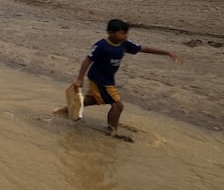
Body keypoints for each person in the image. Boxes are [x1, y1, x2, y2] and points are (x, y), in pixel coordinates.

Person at [55, 19, 183, 138]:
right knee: (118, 105)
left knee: (93, 100)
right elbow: (87, 61)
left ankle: (64, 110)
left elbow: (144, 48)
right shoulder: (101, 45)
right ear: (111, 33)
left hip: (108, 80)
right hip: (100, 80)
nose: (125, 36)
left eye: (126, 33)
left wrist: (167, 52)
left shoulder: (125, 44)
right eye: (122, 33)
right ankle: (112, 131)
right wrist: (79, 79)